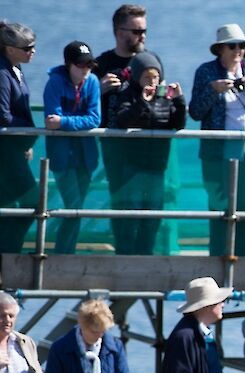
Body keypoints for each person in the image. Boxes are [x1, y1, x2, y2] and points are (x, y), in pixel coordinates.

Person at [189, 24, 245, 258]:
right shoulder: (206, 72)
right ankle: (217, 263)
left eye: (242, 46)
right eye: (233, 46)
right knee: (218, 208)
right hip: (217, 149)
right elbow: (195, 112)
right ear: (220, 50)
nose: (238, 51)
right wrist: (213, 91)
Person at [107, 51, 186, 256]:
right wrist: (142, 102)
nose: (152, 82)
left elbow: (178, 123)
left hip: (156, 168)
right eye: (147, 77)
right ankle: (125, 258)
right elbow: (123, 120)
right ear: (137, 77)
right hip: (132, 167)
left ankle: (145, 258)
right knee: (129, 219)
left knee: (152, 220)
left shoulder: (164, 97)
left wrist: (179, 100)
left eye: (155, 77)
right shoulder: (127, 93)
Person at [43, 42, 101, 255]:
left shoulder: (92, 82)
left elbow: (95, 119)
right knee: (73, 207)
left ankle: (65, 253)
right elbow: (50, 120)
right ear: (68, 64)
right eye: (80, 64)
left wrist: (64, 122)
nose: (85, 69)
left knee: (77, 209)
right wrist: (73, 122)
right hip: (62, 157)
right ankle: (63, 254)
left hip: (86, 157)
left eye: (89, 64)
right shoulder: (55, 83)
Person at [93, 4, 148, 229]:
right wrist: (98, 89)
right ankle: (123, 250)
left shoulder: (148, 62)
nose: (142, 36)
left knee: (148, 203)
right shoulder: (101, 63)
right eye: (136, 31)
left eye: (144, 31)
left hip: (147, 142)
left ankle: (146, 255)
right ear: (118, 31)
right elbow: (81, 102)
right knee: (120, 199)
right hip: (114, 143)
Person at [0, 21, 38, 254]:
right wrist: (28, 132)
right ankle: (8, 252)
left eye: (33, 47)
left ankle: (6, 257)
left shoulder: (15, 68)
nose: (32, 51)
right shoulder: (2, 73)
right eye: (27, 48)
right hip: (6, 152)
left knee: (7, 204)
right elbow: (3, 116)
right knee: (32, 201)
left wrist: (26, 139)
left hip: (15, 149)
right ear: (9, 48)